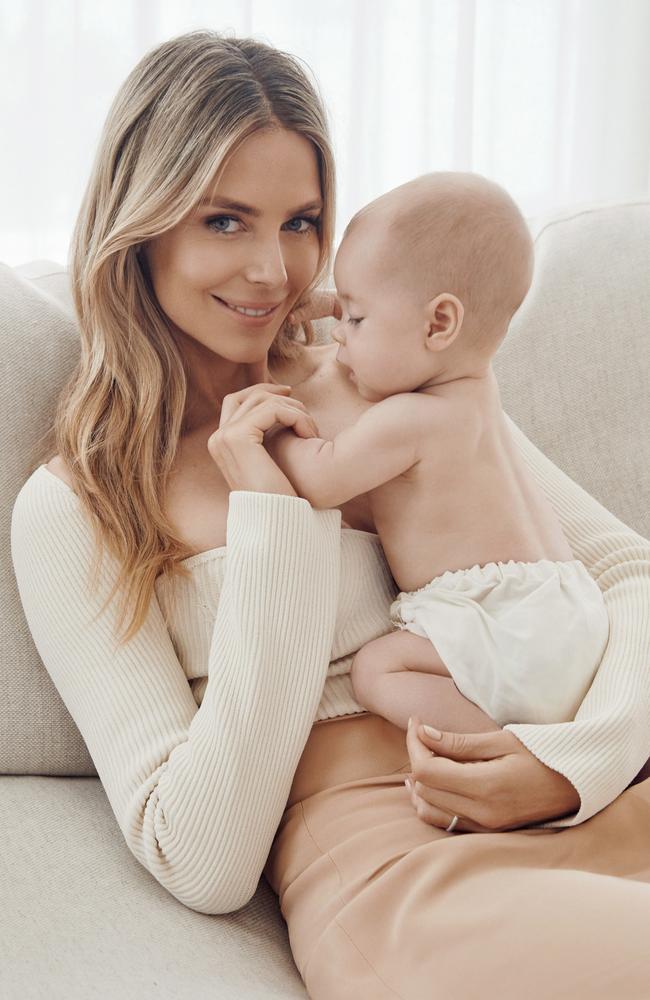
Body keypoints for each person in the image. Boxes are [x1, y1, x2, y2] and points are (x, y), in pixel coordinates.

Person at [9, 29, 650, 1000]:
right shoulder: (78, 501)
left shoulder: (380, 373)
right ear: (142, 223)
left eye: (300, 221)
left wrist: (572, 761)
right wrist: (275, 522)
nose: (274, 270)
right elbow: (198, 854)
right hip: (397, 860)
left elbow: (622, 576)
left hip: (595, 793)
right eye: (225, 221)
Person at [264, 171, 610, 734]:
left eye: (354, 318)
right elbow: (391, 330)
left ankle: (501, 744)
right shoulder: (476, 398)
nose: (340, 335)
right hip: (571, 614)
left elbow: (320, 479)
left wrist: (275, 421)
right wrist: (353, 309)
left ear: (440, 323)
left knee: (377, 668)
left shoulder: (408, 419)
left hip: (499, 626)